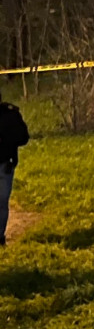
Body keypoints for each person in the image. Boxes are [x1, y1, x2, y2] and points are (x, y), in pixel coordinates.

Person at [0, 90, 28, 245]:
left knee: (2, 202)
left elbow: (23, 137)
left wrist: (7, 138)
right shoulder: (10, 114)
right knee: (2, 203)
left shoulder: (10, 115)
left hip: (5, 164)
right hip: (6, 164)